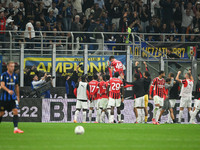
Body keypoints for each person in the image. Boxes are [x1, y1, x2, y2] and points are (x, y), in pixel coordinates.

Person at [0, 61, 24, 134]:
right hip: (4, 99)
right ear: (7, 67)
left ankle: (16, 128)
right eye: (11, 66)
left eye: (13, 66)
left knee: (15, 111)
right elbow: (2, 85)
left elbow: (16, 86)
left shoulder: (15, 76)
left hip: (12, 99)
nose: (12, 68)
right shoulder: (4, 75)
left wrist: (18, 96)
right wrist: (8, 90)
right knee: (1, 113)